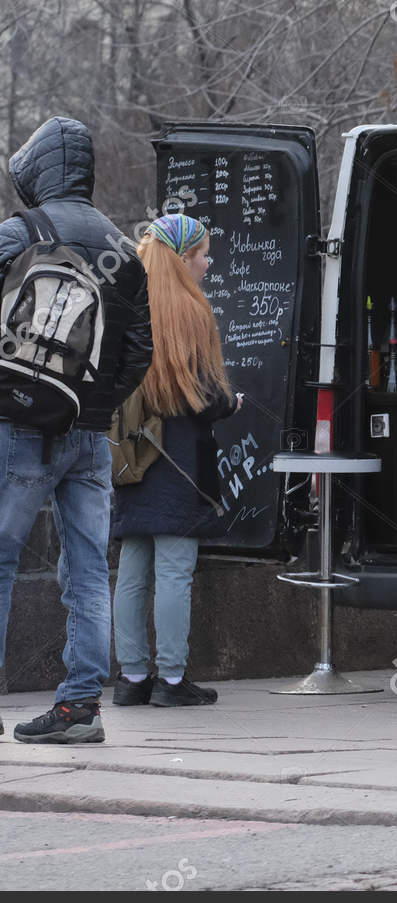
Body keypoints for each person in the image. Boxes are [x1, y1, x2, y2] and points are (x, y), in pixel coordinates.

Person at [0, 117, 153, 745]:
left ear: (39, 169)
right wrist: (91, 406)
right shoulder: (124, 247)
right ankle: (80, 705)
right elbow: (139, 352)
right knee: (90, 568)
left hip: (17, 427)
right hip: (91, 437)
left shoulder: (17, 234)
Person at [110, 214, 242, 709]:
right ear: (184, 258)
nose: (208, 263)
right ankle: (170, 680)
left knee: (131, 569)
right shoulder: (191, 309)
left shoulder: (127, 302)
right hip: (180, 457)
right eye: (204, 254)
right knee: (174, 571)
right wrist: (232, 404)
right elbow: (204, 399)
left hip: (131, 456)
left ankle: (131, 678)